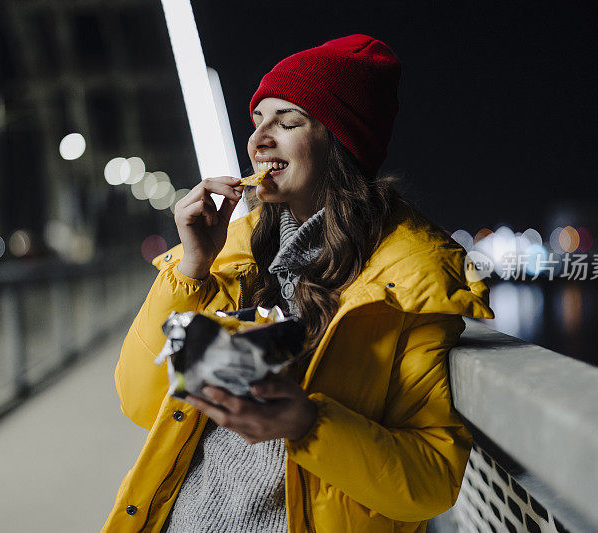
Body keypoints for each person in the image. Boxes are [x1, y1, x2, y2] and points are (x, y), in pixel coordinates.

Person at [102, 34, 494, 533]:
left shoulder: (406, 279)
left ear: (341, 145)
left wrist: (308, 425)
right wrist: (192, 270)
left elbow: (432, 480)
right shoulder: (232, 251)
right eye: (257, 121)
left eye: (287, 123)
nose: (259, 138)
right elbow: (139, 403)